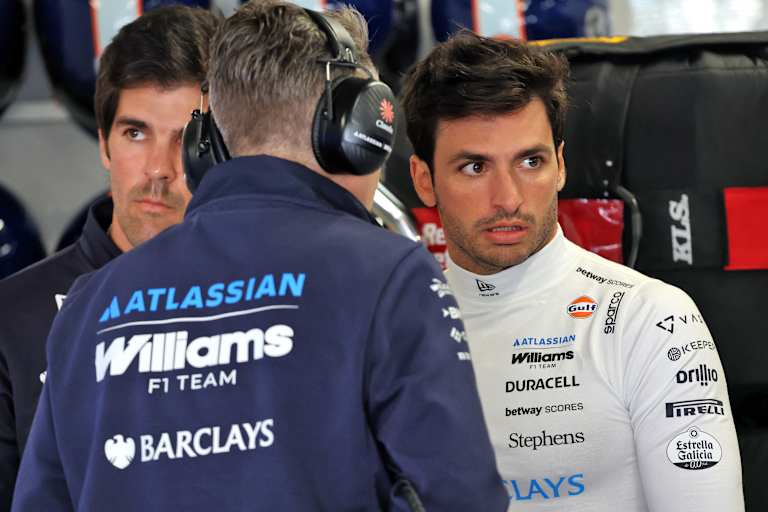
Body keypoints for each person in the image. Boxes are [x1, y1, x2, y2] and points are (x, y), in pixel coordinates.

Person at [12, 2, 507, 510]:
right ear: (358, 132)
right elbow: (461, 497)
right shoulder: (391, 275)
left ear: (205, 143)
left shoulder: (88, 305)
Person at [402, 30, 744, 511]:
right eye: (475, 167)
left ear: (560, 166)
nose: (509, 199)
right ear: (424, 179)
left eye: (530, 161)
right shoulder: (394, 330)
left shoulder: (649, 320)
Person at [0, 6, 218, 509]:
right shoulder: (12, 319)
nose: (159, 170)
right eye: (135, 133)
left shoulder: (274, 300)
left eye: (187, 140)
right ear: (104, 142)